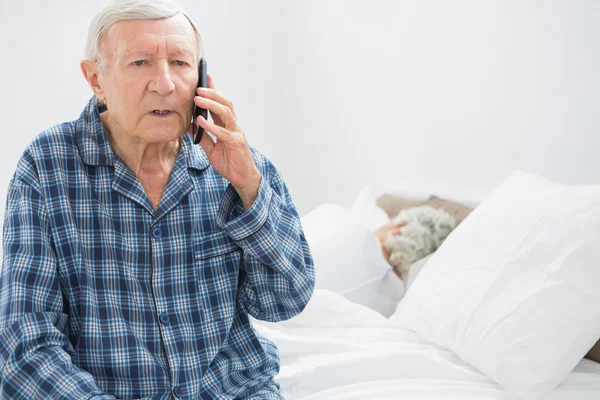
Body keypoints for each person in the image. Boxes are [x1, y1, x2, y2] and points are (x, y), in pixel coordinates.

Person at [0, 1, 315, 398]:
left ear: (201, 77)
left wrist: (249, 188)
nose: (165, 83)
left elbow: (285, 302)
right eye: (140, 63)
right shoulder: (47, 166)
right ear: (95, 78)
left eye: (181, 63)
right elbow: (26, 345)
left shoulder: (237, 164)